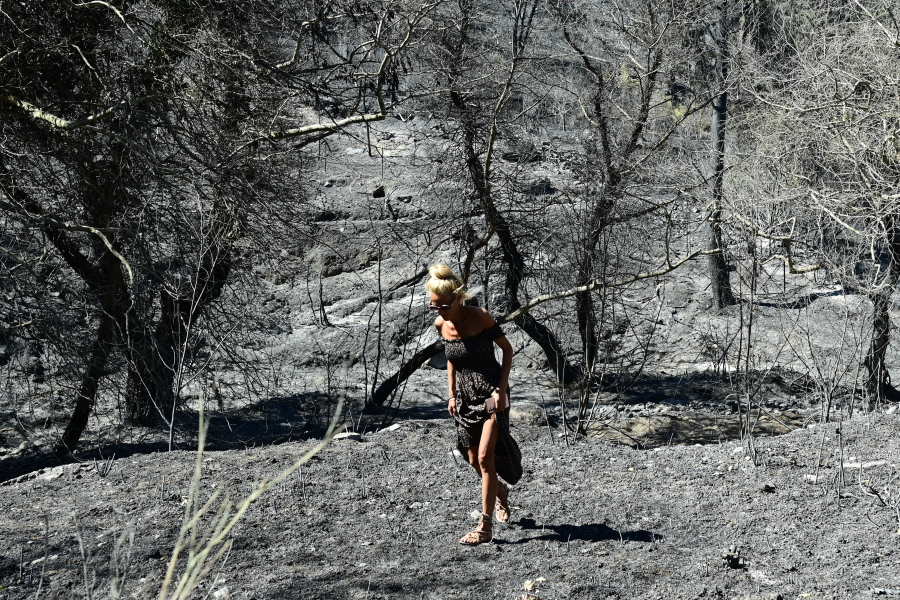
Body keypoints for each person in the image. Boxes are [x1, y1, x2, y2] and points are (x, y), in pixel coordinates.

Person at [426, 263, 523, 545]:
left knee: (484, 458)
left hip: (492, 392)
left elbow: (507, 350)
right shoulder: (440, 325)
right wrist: (452, 394)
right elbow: (452, 360)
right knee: (471, 459)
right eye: (434, 307)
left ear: (457, 298)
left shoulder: (480, 317)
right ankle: (499, 491)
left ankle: (485, 527)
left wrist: (501, 391)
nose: (439, 312)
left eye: (443, 306)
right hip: (465, 398)